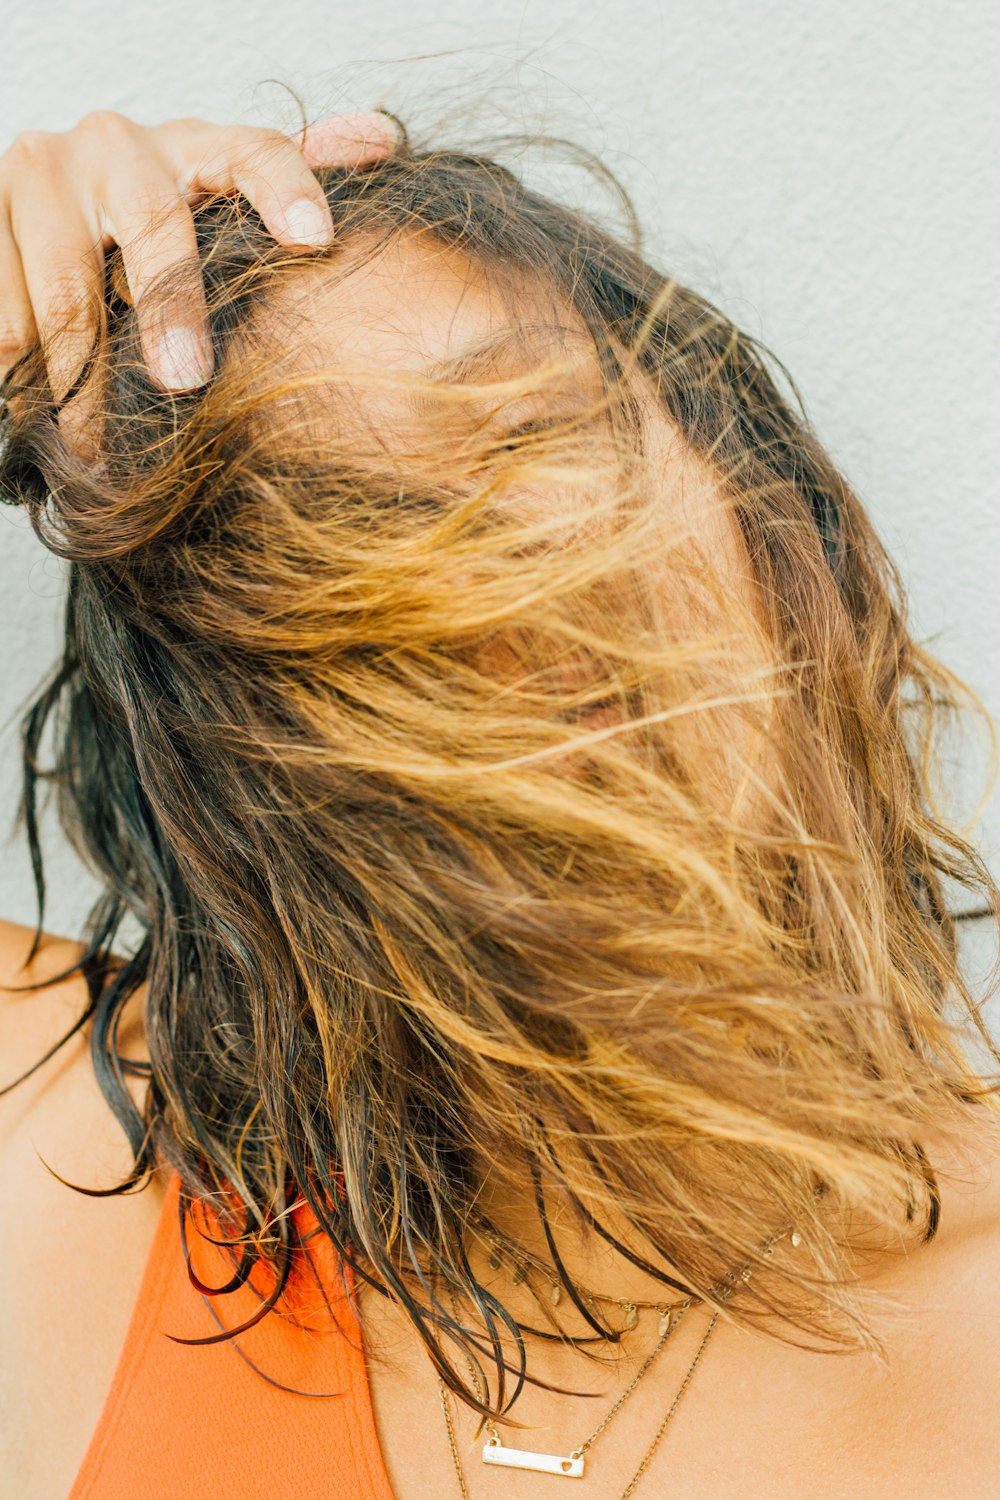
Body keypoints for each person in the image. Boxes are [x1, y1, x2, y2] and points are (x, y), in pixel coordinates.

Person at [1, 103, 999, 1500]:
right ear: (224, 763)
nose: (490, 580)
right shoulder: (65, 1165)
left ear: (765, 519)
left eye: (532, 434)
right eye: (339, 533)